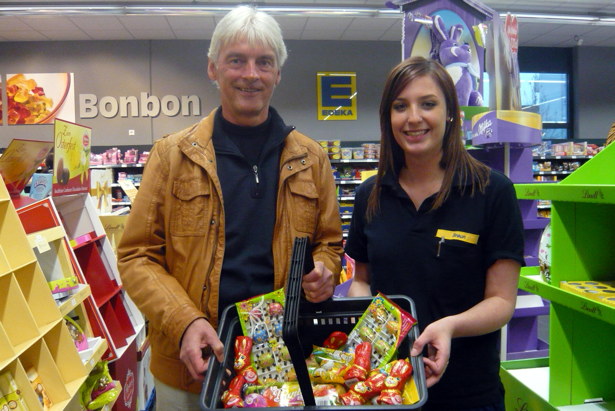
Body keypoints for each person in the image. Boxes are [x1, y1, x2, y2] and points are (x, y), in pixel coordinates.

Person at [117, 5, 343, 410]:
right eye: (236, 60)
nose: (250, 75)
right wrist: (185, 321)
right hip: (193, 366)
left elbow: (330, 245)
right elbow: (137, 255)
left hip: (285, 366)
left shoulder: (312, 158)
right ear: (213, 68)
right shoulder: (172, 156)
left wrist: (326, 270)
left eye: (264, 62)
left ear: (278, 73)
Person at [345, 56, 524, 411]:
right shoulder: (372, 193)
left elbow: (502, 302)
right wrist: (365, 325)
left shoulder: (491, 191)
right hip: (388, 386)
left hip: (468, 389)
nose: (413, 117)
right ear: (388, 118)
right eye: (400, 106)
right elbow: (361, 280)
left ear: (450, 114)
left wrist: (449, 327)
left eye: (428, 104)